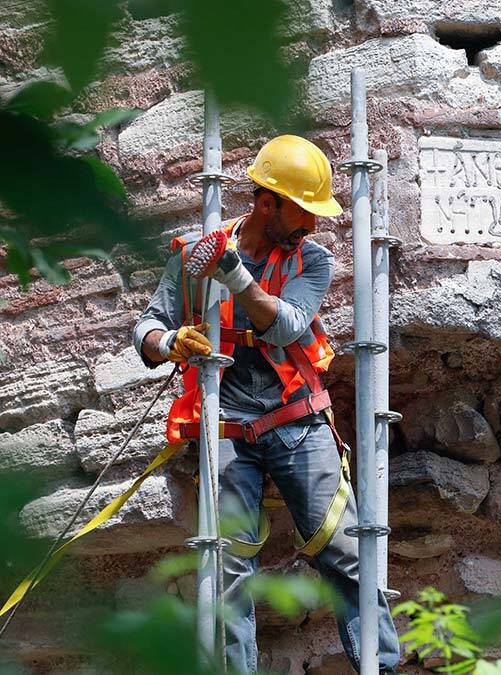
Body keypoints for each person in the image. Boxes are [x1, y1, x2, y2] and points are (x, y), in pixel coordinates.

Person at [132, 134, 401, 673]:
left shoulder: (312, 259)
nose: (314, 224)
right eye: (304, 211)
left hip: (297, 421)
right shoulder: (194, 257)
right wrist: (169, 344)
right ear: (266, 203)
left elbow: (286, 327)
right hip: (228, 428)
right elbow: (145, 327)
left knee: (347, 550)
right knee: (226, 568)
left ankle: (382, 667)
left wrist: (232, 273)